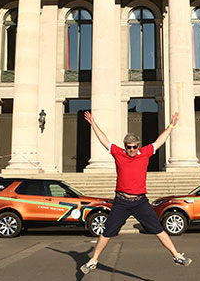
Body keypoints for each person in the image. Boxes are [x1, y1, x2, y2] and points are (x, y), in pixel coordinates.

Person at [80, 111, 192, 275]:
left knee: (159, 229)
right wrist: (93, 124)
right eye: (128, 147)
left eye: (134, 147)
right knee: (107, 232)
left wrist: (172, 125)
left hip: (140, 202)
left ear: (138, 146)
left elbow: (160, 141)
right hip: (121, 202)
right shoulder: (118, 153)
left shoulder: (145, 153)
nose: (131, 150)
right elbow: (104, 140)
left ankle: (176, 256)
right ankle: (93, 260)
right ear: (125, 146)